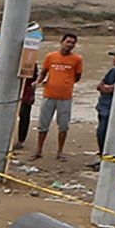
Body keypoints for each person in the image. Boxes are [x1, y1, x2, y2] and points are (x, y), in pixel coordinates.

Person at [35, 32, 84, 160]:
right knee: (43, 124)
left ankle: (60, 152)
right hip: (48, 95)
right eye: (68, 42)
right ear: (61, 42)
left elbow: (77, 76)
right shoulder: (50, 56)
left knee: (63, 125)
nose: (70, 45)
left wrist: (66, 83)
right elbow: (43, 72)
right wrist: (38, 82)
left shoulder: (77, 59)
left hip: (65, 97)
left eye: (73, 43)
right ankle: (39, 150)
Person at [96, 49, 115, 154]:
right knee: (101, 133)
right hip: (104, 107)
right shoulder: (112, 71)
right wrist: (107, 88)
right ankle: (103, 155)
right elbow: (99, 86)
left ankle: (109, 156)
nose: (114, 59)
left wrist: (107, 88)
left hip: (113, 109)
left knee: (105, 133)